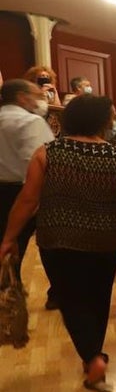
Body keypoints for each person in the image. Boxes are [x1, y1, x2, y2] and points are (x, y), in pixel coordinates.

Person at [1, 95, 116, 392]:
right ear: (100, 121)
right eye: (111, 117)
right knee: (99, 296)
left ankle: (91, 356)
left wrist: (9, 237)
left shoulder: (46, 153)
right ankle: (92, 355)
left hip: (59, 238)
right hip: (106, 238)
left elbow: (28, 200)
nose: (114, 122)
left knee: (70, 298)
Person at [0, 79, 56, 282]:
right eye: (36, 96)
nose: (39, 101)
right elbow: (43, 163)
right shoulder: (31, 122)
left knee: (7, 246)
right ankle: (56, 292)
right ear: (22, 97)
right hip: (25, 192)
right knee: (49, 244)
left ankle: (7, 290)